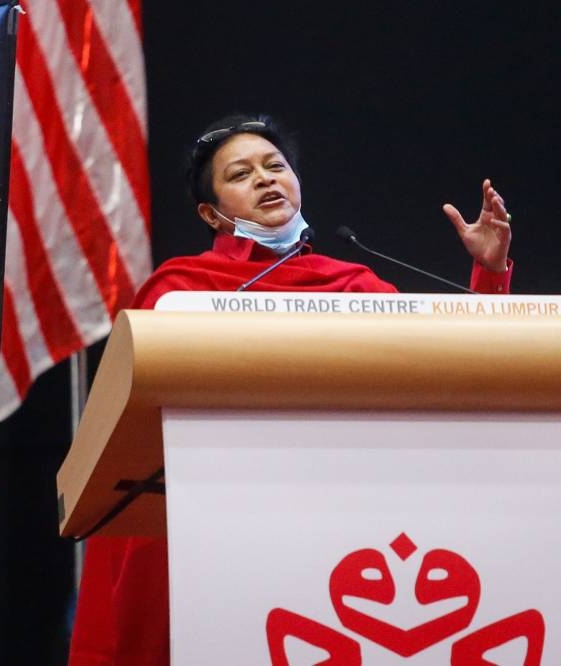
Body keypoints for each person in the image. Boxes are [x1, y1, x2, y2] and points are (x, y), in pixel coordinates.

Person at [67, 113, 515, 666]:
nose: (265, 178)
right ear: (212, 213)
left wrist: (489, 276)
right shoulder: (179, 290)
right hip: (205, 512)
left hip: (336, 512)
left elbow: (447, 370)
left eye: (275, 166)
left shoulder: (354, 284)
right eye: (241, 173)